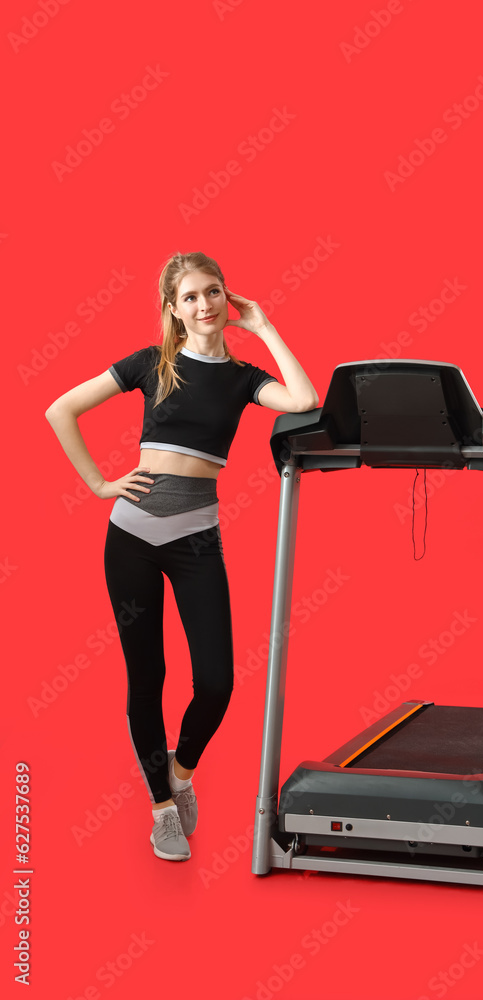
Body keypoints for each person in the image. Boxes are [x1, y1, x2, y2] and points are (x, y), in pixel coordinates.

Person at [45, 251, 319, 862]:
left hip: (197, 537)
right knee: (149, 678)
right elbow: (58, 409)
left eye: (213, 292)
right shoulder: (151, 365)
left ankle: (182, 773)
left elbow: (304, 399)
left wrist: (267, 327)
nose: (204, 305)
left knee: (216, 682)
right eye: (190, 297)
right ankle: (162, 810)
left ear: (228, 300)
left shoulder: (244, 378)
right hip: (132, 536)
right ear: (173, 309)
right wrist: (98, 484)